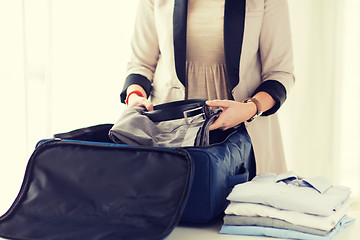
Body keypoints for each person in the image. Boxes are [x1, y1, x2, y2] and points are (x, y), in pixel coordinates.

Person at [120, 0, 295, 174]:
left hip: (245, 135)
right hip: (170, 136)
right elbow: (141, 64)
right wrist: (135, 95)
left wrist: (250, 109)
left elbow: (279, 73)